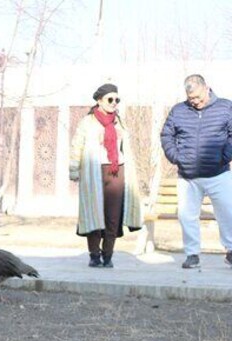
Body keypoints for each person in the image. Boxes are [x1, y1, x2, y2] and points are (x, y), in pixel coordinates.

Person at [160, 74, 232, 269]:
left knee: (227, 212)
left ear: (207, 88)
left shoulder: (226, 107)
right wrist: (176, 157)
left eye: (199, 97)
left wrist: (224, 157)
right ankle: (192, 254)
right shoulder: (178, 110)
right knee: (187, 215)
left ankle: (231, 250)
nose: (196, 102)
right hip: (188, 176)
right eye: (191, 99)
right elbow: (166, 135)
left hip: (219, 173)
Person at [69, 83, 143, 268]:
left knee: (113, 215)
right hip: (93, 172)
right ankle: (94, 254)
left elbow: (126, 147)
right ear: (99, 100)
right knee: (93, 213)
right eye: (110, 99)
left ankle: (108, 254)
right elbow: (76, 146)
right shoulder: (88, 122)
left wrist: (120, 134)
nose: (114, 103)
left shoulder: (119, 121)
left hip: (116, 171)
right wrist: (74, 169)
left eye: (117, 100)